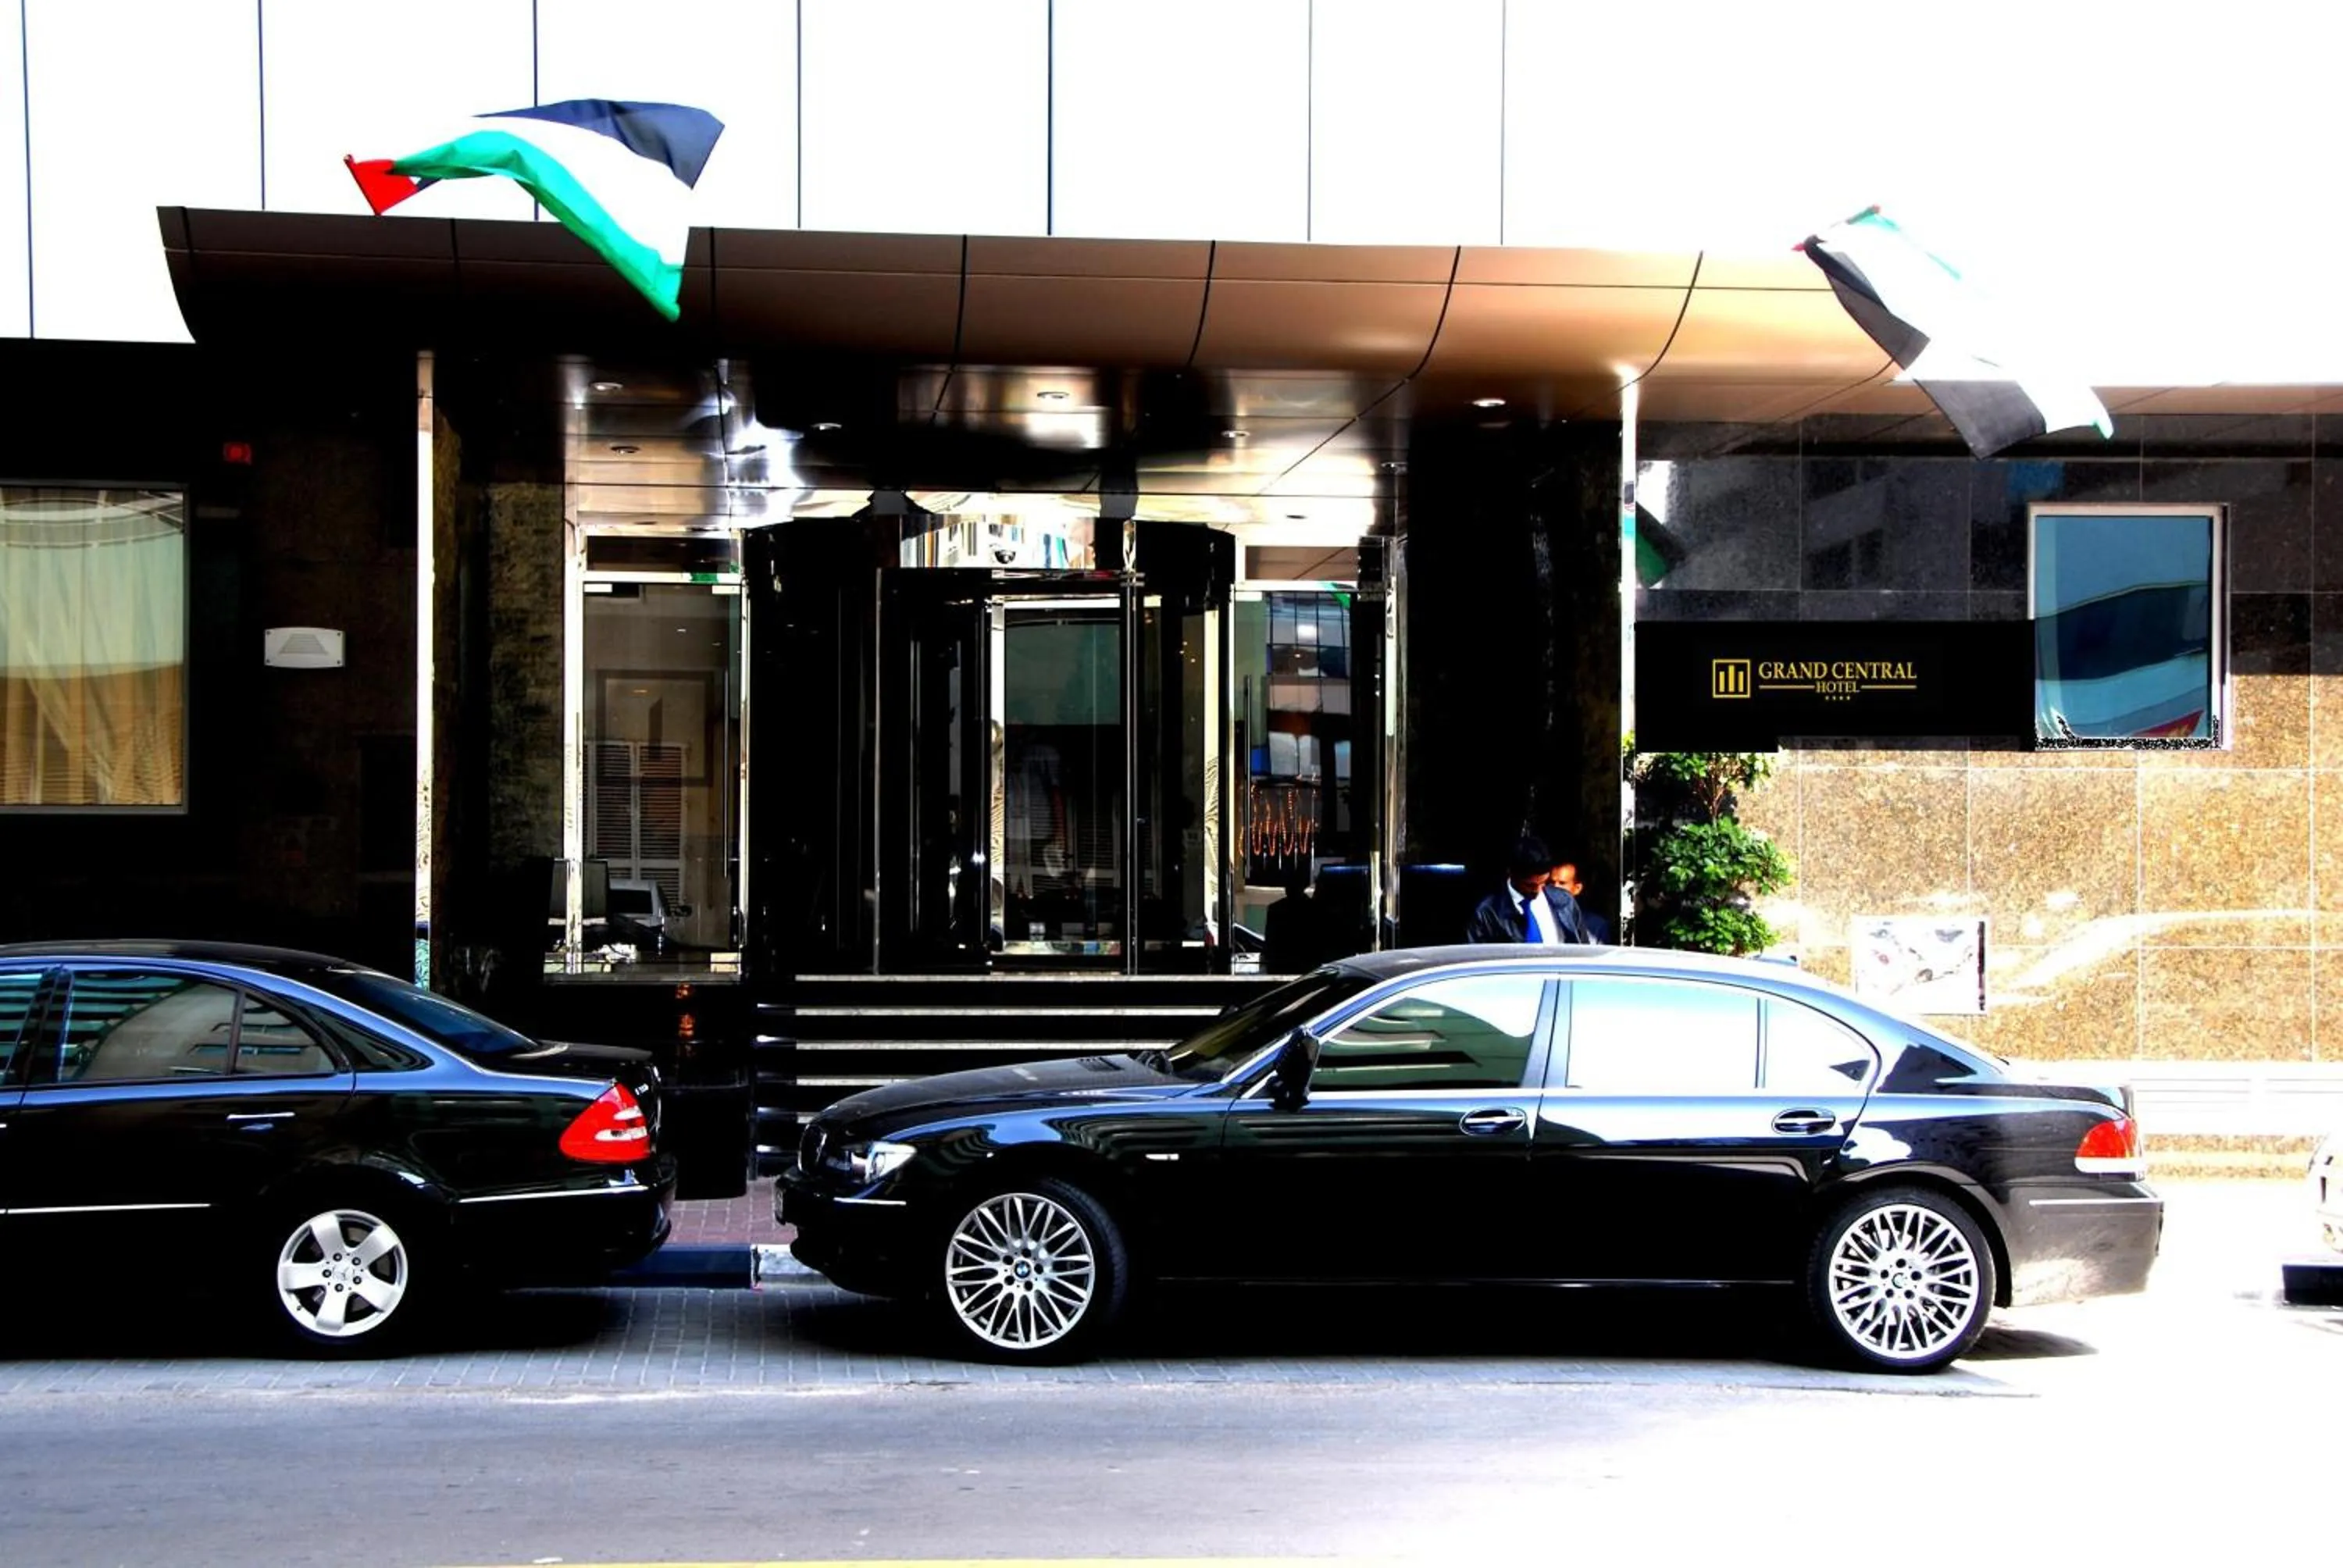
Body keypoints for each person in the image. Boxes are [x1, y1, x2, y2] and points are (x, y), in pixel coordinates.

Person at [1464, 836, 1590, 946]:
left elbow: (1583, 949)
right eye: (1530, 885)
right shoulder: (1488, 913)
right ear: (1512, 874)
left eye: (1544, 883)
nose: (1538, 890)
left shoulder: (1565, 902)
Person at [1261, 861, 1325, 974]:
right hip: (1306, 967)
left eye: (1289, 884)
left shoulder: (1276, 909)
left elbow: (1270, 942)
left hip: (1281, 967)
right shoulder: (1314, 909)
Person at [1551, 859, 1614, 945]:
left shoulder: (1596, 926)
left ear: (1577, 888)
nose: (1555, 887)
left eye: (1562, 883)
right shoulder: (1539, 917)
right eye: (1551, 882)